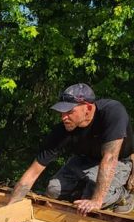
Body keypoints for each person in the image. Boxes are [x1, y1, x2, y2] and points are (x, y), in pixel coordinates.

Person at [7, 83, 134, 214]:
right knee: (53, 190)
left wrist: (96, 201)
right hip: (83, 160)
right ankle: (86, 191)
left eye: (69, 112)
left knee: (97, 199)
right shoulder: (62, 129)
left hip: (117, 161)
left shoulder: (112, 112)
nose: (64, 117)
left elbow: (110, 158)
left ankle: (123, 194)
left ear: (88, 108)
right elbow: (34, 171)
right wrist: (12, 207)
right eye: (62, 112)